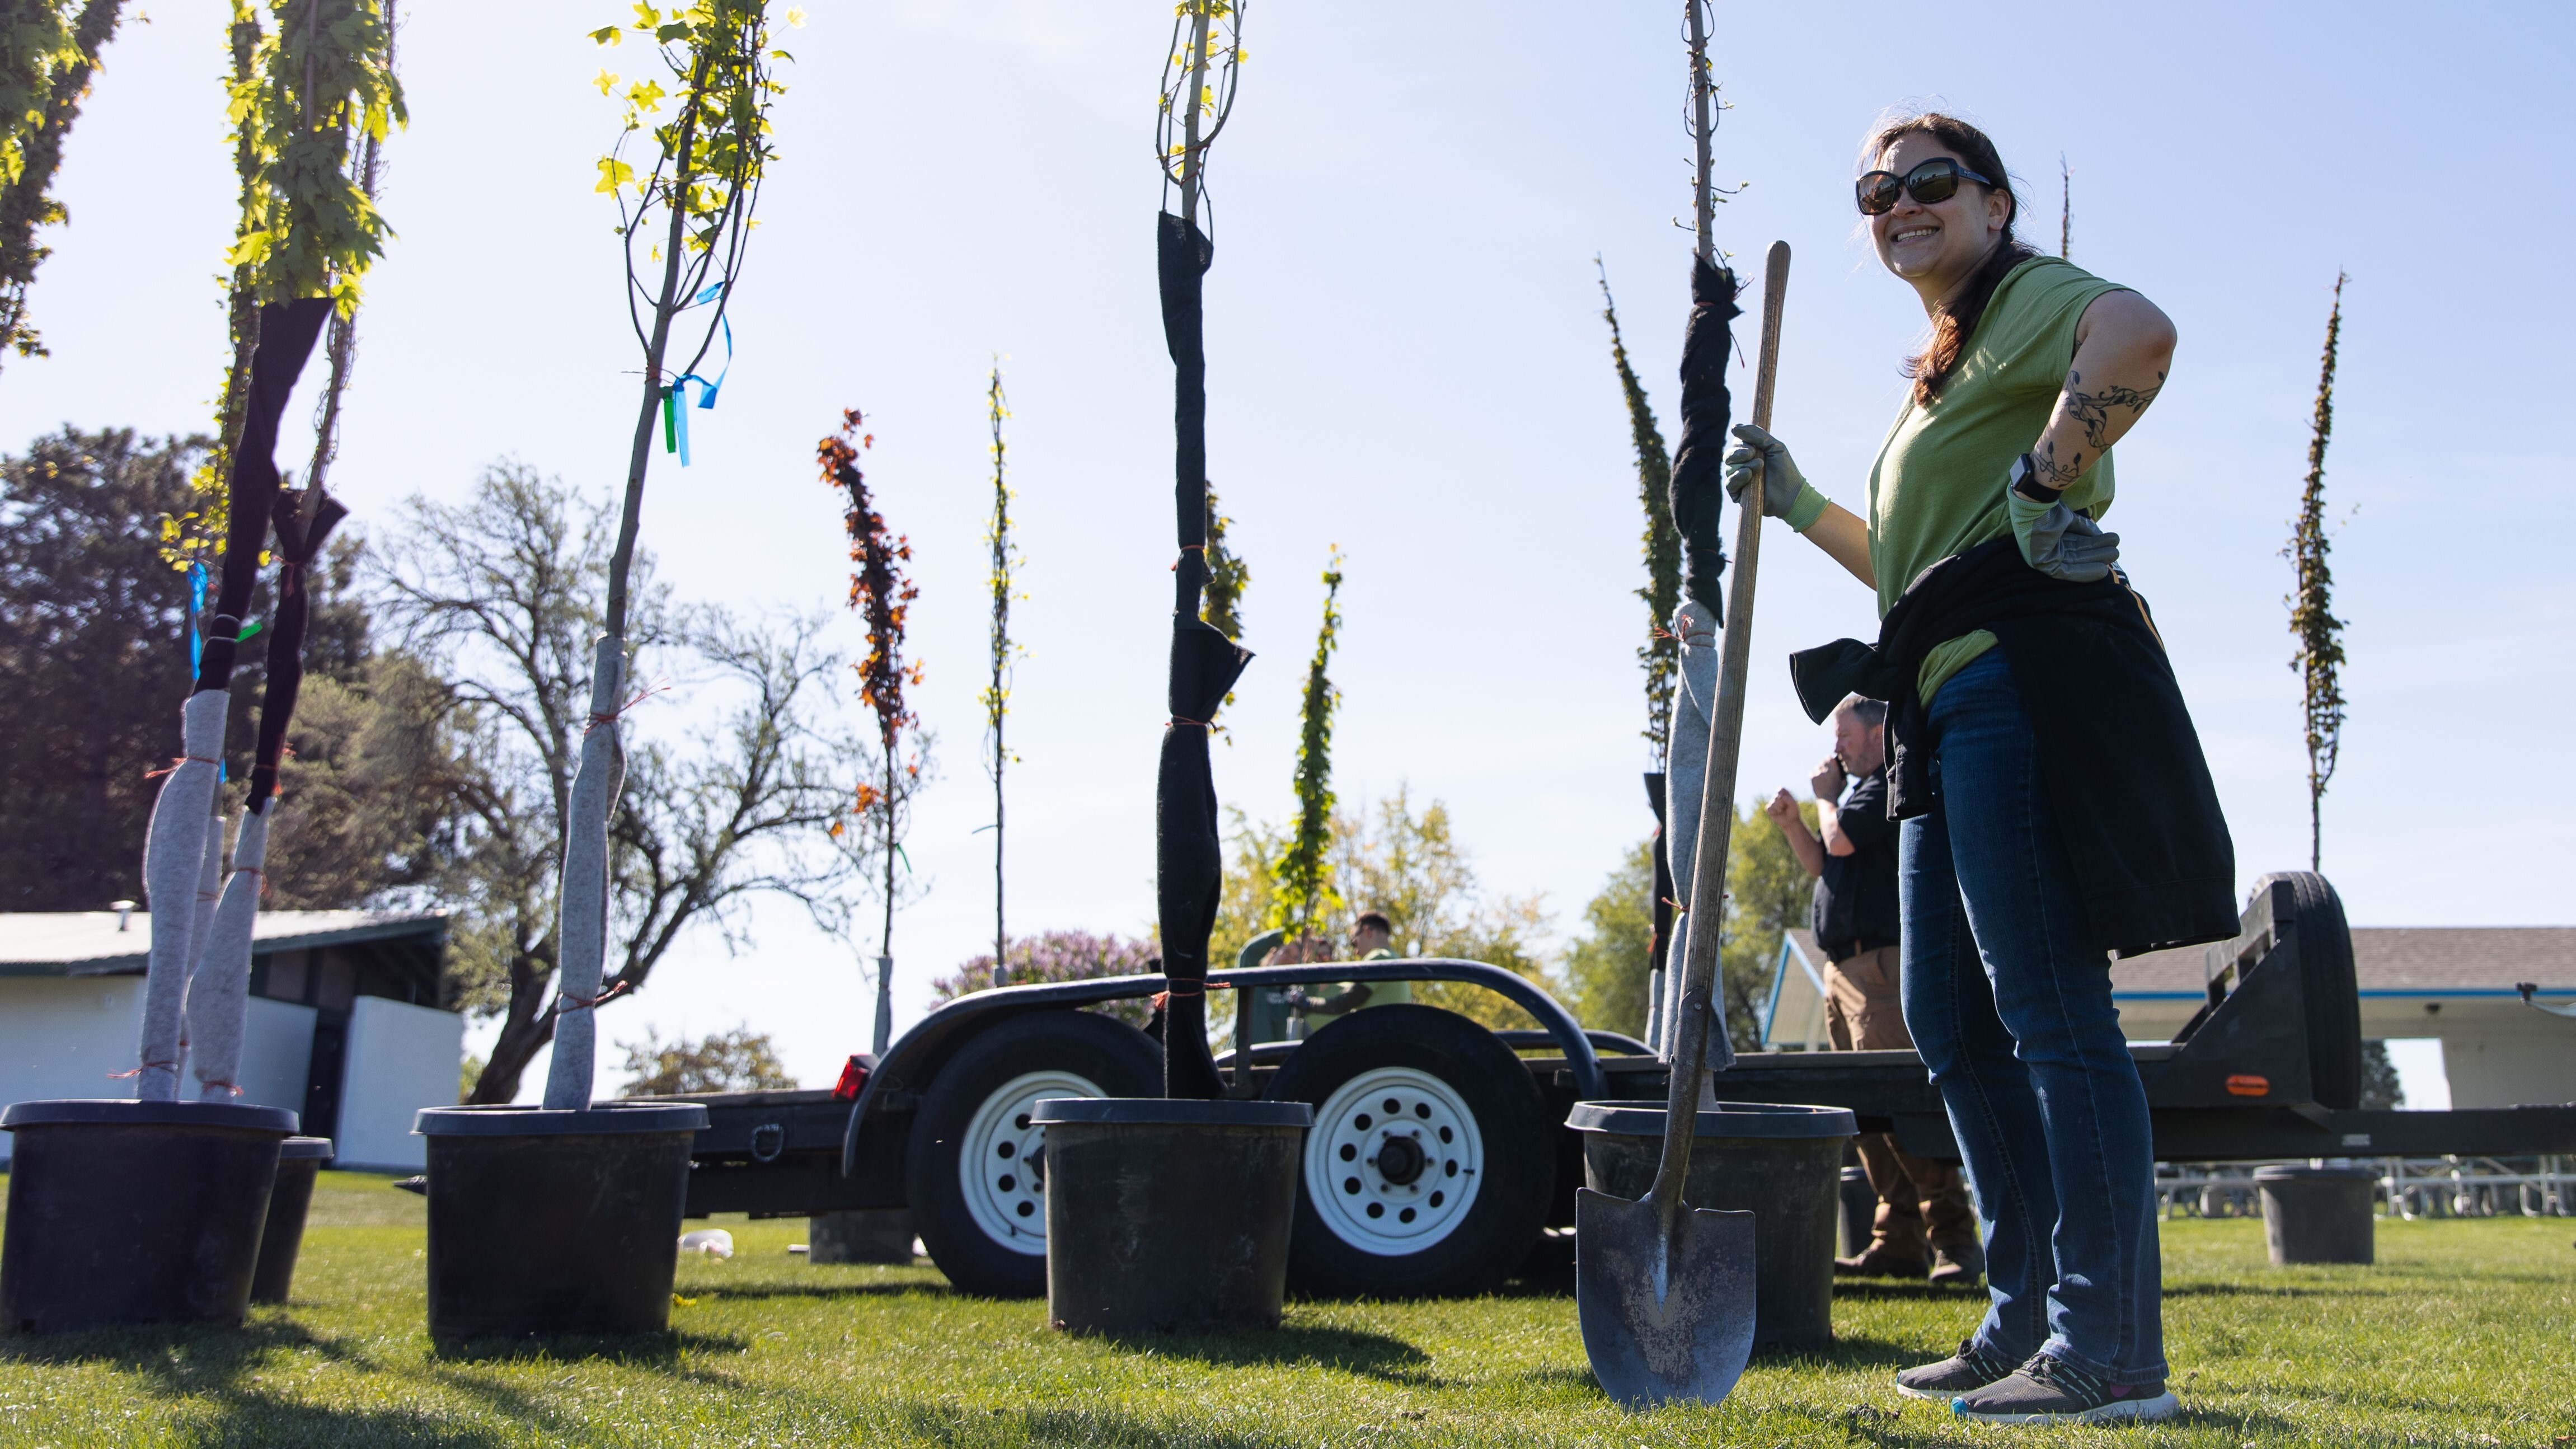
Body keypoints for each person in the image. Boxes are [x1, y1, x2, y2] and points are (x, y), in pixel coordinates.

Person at [1723, 110, 2236, 1424]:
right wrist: (1790, 500)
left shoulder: (2026, 294)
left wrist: (2050, 468)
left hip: (2019, 682)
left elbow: (2139, 336)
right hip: (1942, 703)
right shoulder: (1940, 366)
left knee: (2050, 1014)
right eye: (1874, 190)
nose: (1897, 203)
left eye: (1928, 182)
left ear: (1992, 203)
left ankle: (2110, 1345)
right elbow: (1909, 571)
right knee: (1950, 1027)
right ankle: (2020, 1315)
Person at [1766, 694, 1981, 1286]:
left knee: (1904, 1105)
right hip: (1843, 972)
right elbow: (1821, 861)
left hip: (1881, 970)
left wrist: (1820, 798)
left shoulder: (1891, 781)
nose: (1835, 748)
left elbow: (1837, 841)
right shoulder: (1855, 794)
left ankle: (1955, 1243)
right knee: (1867, 1114)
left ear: (1879, 730)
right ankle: (1896, 1242)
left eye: (1843, 735)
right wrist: (1792, 824)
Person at [1296, 912, 1411, 1023]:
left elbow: (1342, 1004)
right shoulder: (1395, 959)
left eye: (1354, 943)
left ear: (1367, 932)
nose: (1356, 952)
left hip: (1379, 1039)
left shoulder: (1378, 958)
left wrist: (1305, 1002)